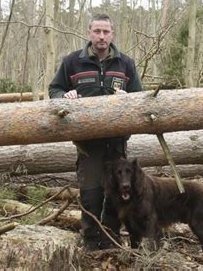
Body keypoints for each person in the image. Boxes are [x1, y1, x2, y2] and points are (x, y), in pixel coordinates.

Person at [48, 13, 142, 250]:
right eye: (97, 31)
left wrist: (128, 98)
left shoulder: (126, 64)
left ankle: (110, 243)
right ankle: (91, 244)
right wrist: (65, 96)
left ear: (112, 34)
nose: (101, 36)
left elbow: (140, 98)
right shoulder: (72, 62)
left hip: (117, 145)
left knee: (117, 195)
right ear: (89, 33)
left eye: (106, 32)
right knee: (90, 196)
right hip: (87, 146)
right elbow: (54, 89)